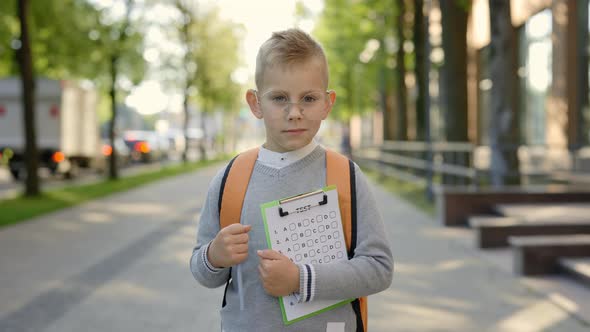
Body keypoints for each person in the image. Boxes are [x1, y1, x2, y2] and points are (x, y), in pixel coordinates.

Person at [190, 28, 393, 332]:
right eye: (279, 98)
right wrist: (214, 256)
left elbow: (379, 268)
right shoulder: (231, 179)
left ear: (328, 103)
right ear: (255, 103)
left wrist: (300, 279)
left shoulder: (345, 176)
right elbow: (204, 272)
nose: (294, 112)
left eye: (308, 98)